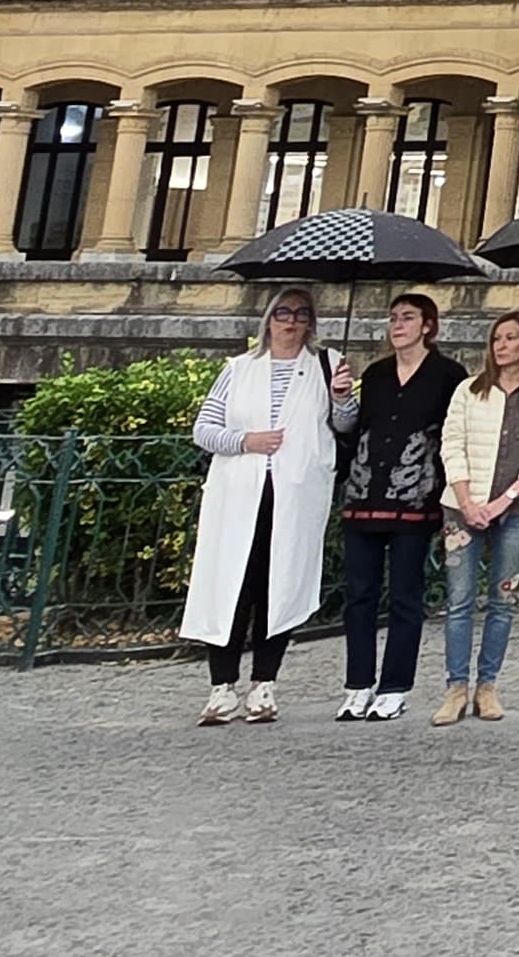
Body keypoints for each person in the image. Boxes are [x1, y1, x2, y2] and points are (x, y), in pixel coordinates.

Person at [182, 287, 357, 727]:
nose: (291, 321)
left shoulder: (328, 365)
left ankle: (264, 683)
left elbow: (345, 426)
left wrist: (341, 396)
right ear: (269, 319)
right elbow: (204, 429)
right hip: (239, 494)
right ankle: (222, 687)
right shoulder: (239, 369)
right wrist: (247, 441)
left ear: (311, 323)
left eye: (301, 314)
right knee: (230, 587)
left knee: (278, 586)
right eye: (283, 312)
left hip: (294, 494)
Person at [334, 292, 462, 722]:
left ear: (428, 325)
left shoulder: (448, 375)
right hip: (365, 494)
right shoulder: (376, 374)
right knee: (360, 596)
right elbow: (352, 428)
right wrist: (341, 399)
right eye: (393, 318)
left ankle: (394, 687)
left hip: (415, 499)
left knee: (406, 596)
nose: (397, 325)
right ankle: (358, 684)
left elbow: (453, 434)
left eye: (407, 317)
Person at [434, 309, 519, 725]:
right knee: (459, 600)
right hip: (462, 507)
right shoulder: (469, 390)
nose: (501, 346)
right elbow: (452, 444)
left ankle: (487, 685)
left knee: (503, 600)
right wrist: (467, 501)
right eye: (497, 339)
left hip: (516, 508)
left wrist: (506, 498)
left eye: (510, 338)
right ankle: (456, 687)